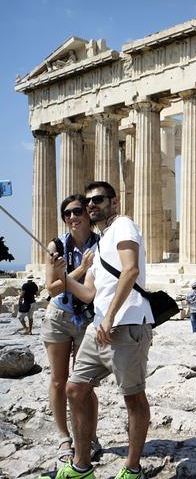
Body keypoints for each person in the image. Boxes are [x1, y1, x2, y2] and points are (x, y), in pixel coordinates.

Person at [52, 181, 153, 479]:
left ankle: (132, 469)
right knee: (75, 388)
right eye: (88, 201)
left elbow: (131, 269)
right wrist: (65, 276)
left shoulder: (123, 226)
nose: (92, 205)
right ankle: (81, 466)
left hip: (127, 325)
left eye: (98, 199)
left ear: (114, 201)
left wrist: (109, 317)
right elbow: (87, 294)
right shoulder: (100, 244)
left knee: (133, 397)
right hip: (101, 327)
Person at [43, 194, 101, 465]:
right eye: (67, 214)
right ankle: (64, 437)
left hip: (87, 319)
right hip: (58, 317)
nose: (72, 217)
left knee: (83, 384)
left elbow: (90, 291)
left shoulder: (101, 244)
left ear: (87, 214)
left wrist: (67, 275)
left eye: (77, 211)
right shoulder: (56, 246)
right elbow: (52, 288)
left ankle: (89, 436)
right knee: (58, 380)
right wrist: (79, 270)